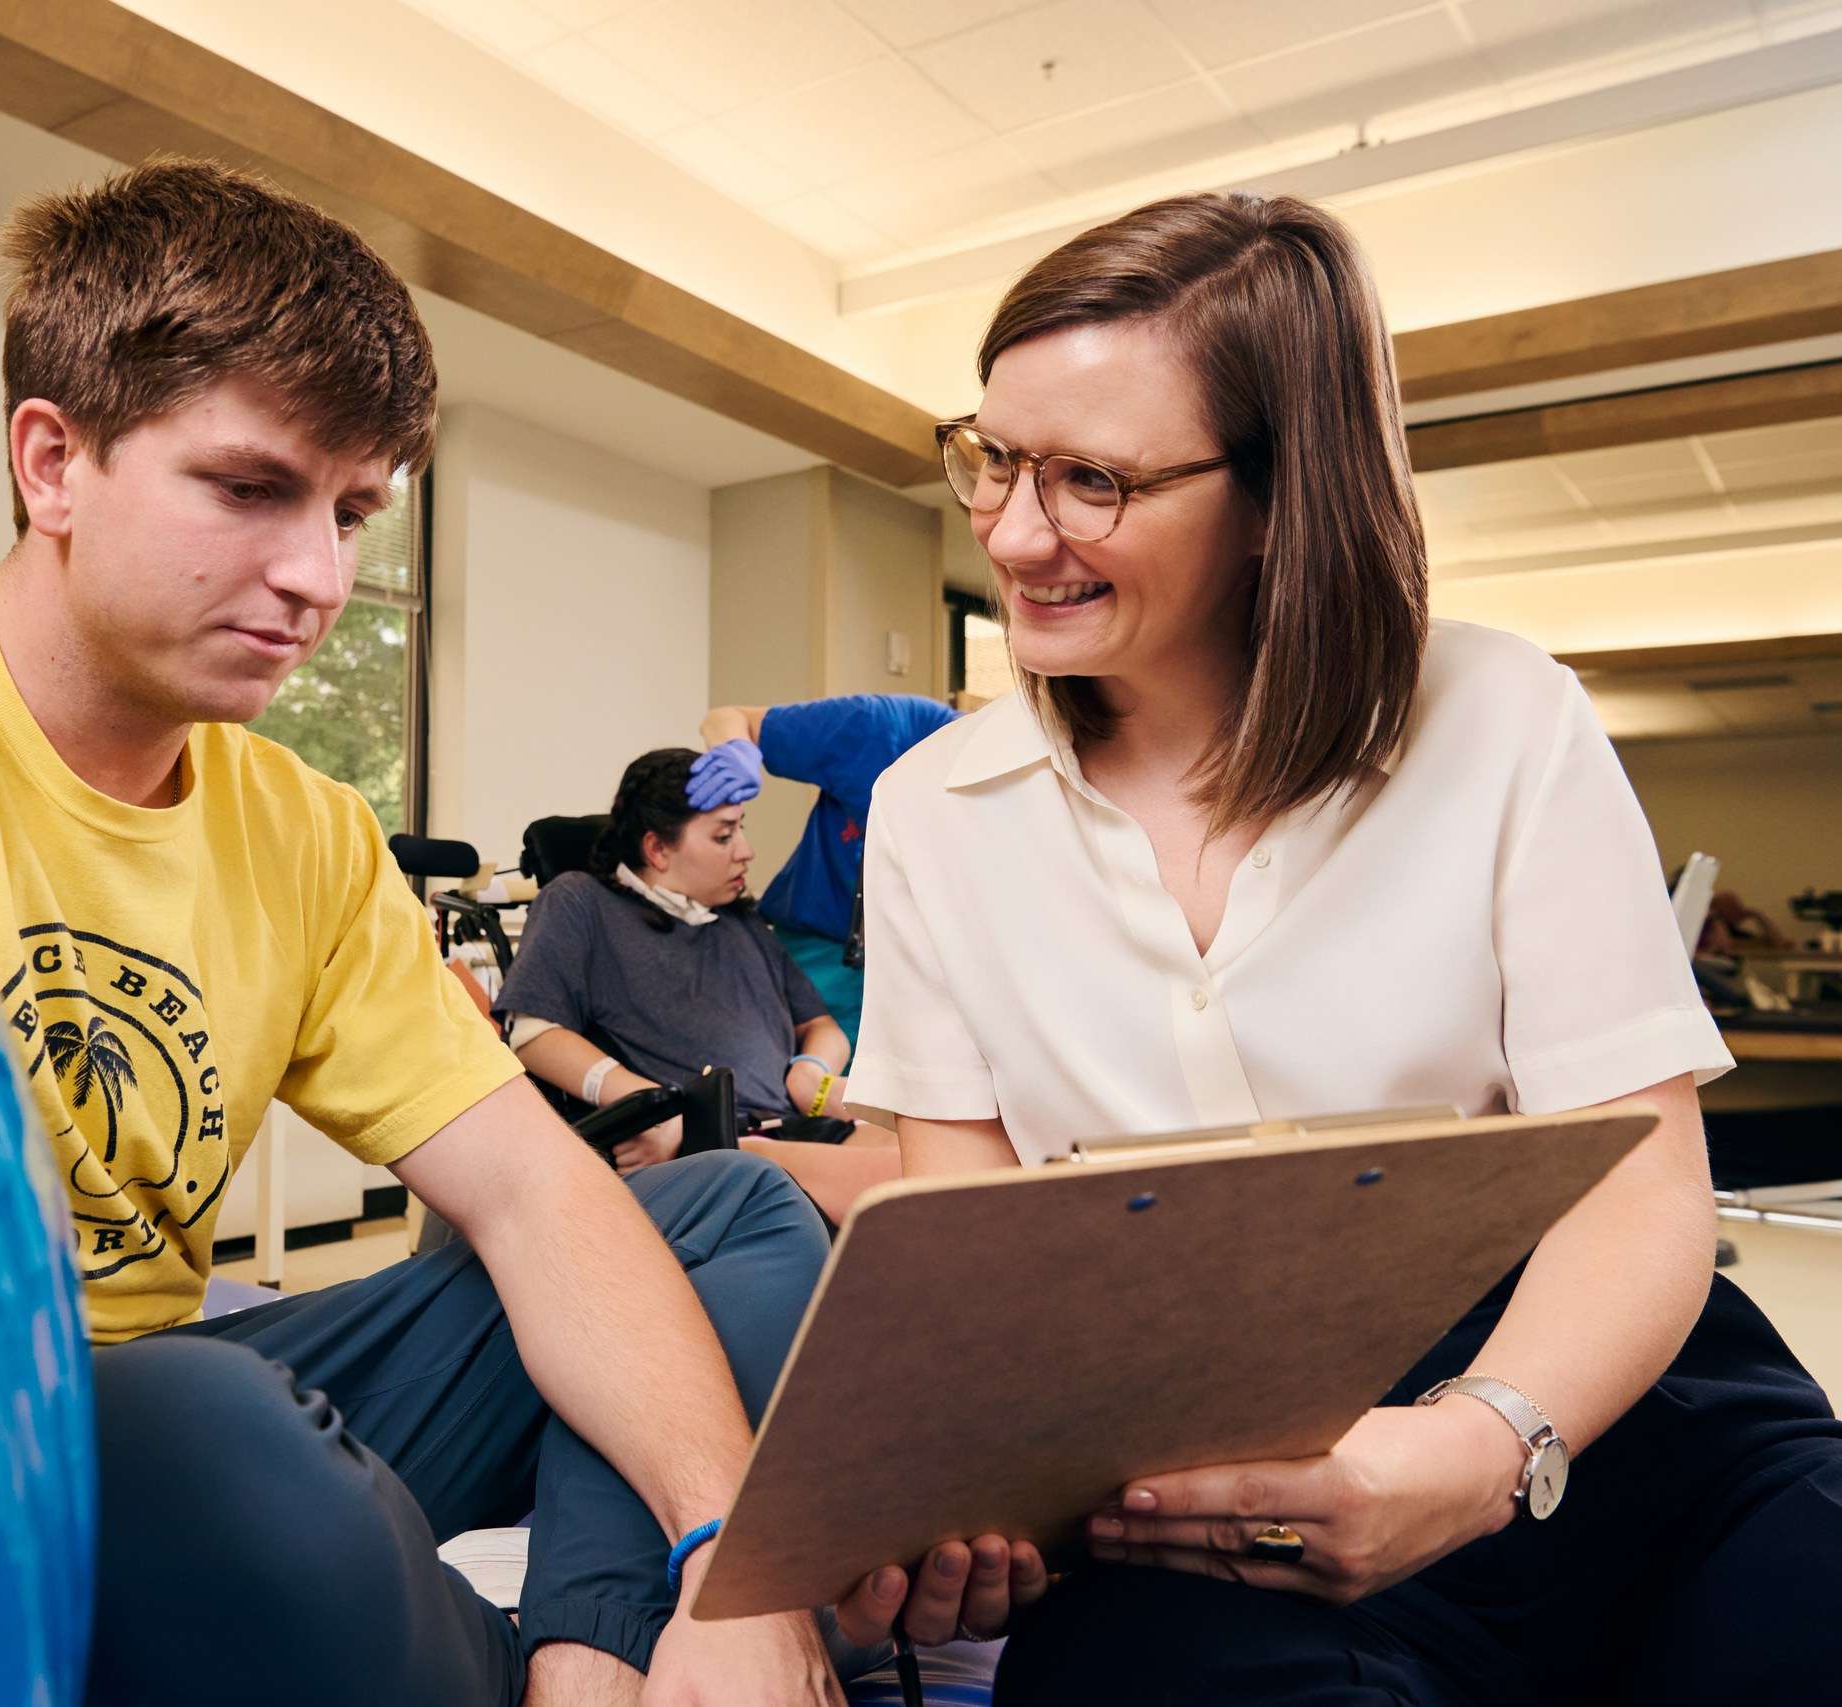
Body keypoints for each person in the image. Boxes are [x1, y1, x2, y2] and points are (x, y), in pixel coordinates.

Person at [0, 160, 848, 1707]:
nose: (320, 578)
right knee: (207, 1423)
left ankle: (583, 1656)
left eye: (352, 512)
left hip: (149, 1419)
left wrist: (715, 1555)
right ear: (53, 461)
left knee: (739, 1216)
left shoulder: (304, 829)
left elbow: (539, 1192)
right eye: (248, 488)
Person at [831, 190, 1842, 1701]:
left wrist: (1488, 1439)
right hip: (1199, 1460)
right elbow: (973, 1249)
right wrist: (964, 1500)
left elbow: (1638, 1174)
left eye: (1090, 478)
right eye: (994, 457)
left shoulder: (1503, 717)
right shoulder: (933, 812)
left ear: (1279, 494)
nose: (1011, 530)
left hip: (1590, 1392)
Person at [494, 749, 900, 1222]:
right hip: (720, 1148)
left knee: (952, 1151)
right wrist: (654, 1109)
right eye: (724, 835)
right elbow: (531, 1034)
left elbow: (819, 1024)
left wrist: (811, 1072)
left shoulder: (740, 921)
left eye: (741, 829)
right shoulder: (582, 902)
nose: (745, 850)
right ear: (658, 850)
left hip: (798, 1127)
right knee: (911, 1186)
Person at [687, 695, 958, 1048]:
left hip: (929, 977)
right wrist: (736, 748)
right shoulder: (881, 728)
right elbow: (727, 717)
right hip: (819, 955)